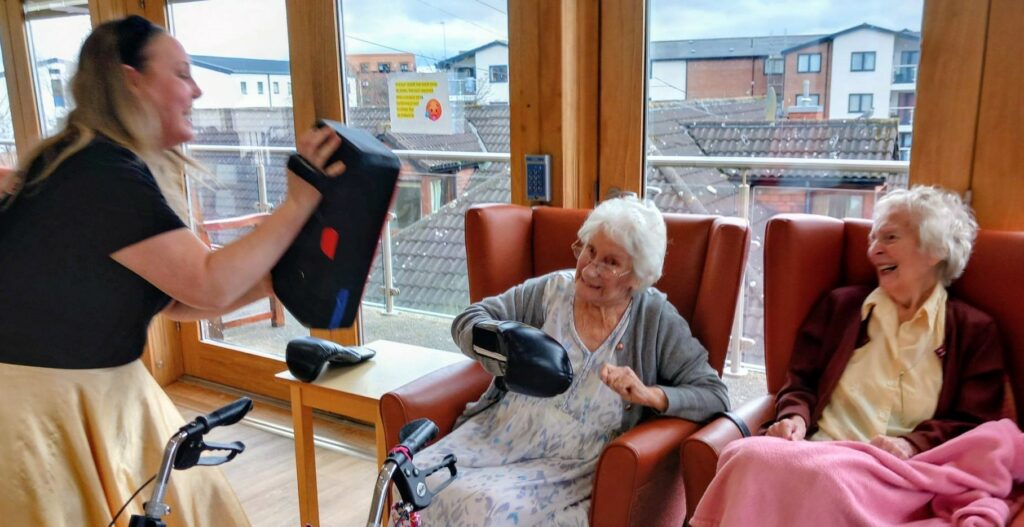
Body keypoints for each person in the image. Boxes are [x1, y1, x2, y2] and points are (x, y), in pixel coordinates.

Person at [0, 16, 345, 526]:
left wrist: (281, 273)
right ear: (131, 82)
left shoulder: (80, 162)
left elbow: (182, 302)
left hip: (87, 392)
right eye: (182, 73)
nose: (197, 88)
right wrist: (298, 202)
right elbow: (208, 282)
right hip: (44, 412)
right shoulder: (100, 175)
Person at [690, 186, 1008, 526]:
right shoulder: (840, 308)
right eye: (872, 239)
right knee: (745, 455)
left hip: (897, 477)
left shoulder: (974, 330)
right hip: (818, 453)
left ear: (935, 249)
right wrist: (795, 417)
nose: (874, 250)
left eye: (890, 237)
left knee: (822, 480)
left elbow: (975, 424)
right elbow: (801, 383)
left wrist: (913, 444)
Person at [409, 196, 730, 526]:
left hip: (572, 464)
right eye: (590, 250)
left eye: (610, 262)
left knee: (490, 510)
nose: (590, 269)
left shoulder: (654, 319)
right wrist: (505, 345)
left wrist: (650, 395)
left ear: (637, 277)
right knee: (414, 478)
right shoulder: (552, 291)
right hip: (501, 432)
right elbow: (469, 319)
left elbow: (714, 394)